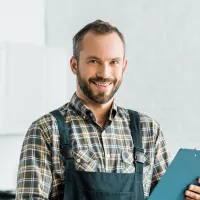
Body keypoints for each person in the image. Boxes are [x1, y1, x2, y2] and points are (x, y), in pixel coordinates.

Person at [16, 20, 200, 200]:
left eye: (113, 62)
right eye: (94, 61)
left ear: (124, 66)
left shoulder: (149, 130)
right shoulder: (45, 130)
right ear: (74, 65)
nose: (105, 73)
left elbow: (167, 197)